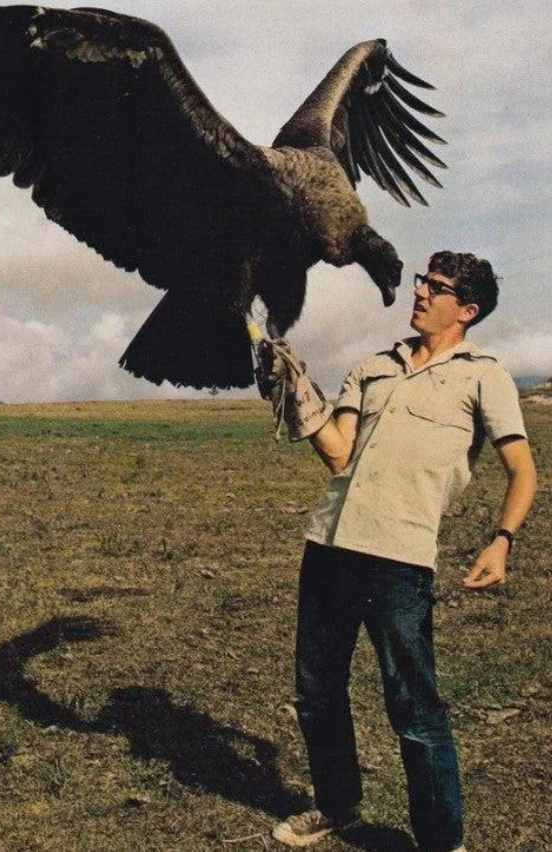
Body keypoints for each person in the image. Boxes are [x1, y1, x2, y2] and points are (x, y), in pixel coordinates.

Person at [258, 251, 537, 852]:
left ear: (467, 310)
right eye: (422, 280)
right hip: (330, 544)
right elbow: (337, 452)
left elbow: (523, 470)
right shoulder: (373, 366)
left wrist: (502, 541)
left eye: (436, 288)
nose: (419, 293)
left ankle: (442, 842)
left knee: (414, 706)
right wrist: (297, 391)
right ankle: (337, 807)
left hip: (400, 559)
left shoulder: (484, 376)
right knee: (317, 692)